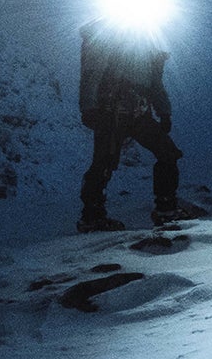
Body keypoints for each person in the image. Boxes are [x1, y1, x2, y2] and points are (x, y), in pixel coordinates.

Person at [78, 24, 183, 231]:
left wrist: (164, 112)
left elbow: (155, 84)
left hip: (133, 112)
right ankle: (92, 216)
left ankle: (166, 208)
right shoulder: (107, 35)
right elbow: (93, 72)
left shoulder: (145, 44)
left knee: (167, 153)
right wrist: (89, 107)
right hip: (111, 111)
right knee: (104, 162)